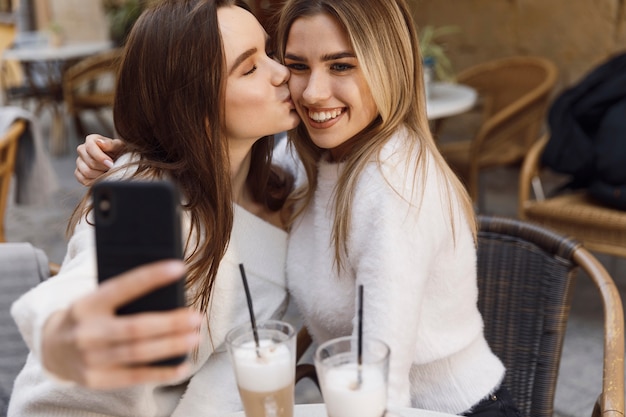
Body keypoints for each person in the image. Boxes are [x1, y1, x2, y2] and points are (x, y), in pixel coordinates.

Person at [75, 0, 521, 416]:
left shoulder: (393, 190)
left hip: (446, 407)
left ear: (391, 66)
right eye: (296, 66)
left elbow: (381, 387)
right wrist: (137, 164)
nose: (311, 93)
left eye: (341, 65)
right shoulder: (316, 156)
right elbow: (227, 185)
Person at [8, 0, 299, 416]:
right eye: (250, 68)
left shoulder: (278, 182)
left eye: (269, 52)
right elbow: (59, 389)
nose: (282, 72)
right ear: (195, 107)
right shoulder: (145, 208)